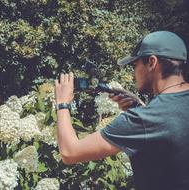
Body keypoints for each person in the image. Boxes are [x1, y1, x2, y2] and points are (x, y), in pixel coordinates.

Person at [55, 31, 189, 190]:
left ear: (152, 62)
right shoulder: (153, 114)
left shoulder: (144, 119)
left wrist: (62, 104)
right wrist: (138, 108)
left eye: (135, 65)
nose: (133, 73)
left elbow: (70, 152)